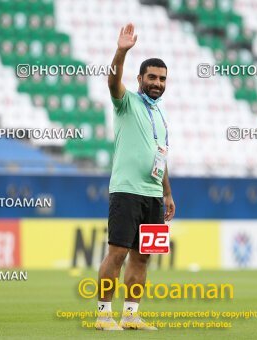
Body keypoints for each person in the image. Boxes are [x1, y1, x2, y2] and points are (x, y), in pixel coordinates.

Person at [95, 23, 176, 331]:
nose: (157, 83)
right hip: (127, 191)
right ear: (140, 79)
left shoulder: (160, 113)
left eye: (162, 78)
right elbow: (113, 81)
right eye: (152, 77)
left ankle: (130, 315)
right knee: (116, 253)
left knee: (142, 258)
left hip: (154, 195)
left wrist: (167, 192)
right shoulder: (127, 103)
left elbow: (161, 155)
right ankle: (104, 315)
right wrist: (121, 51)